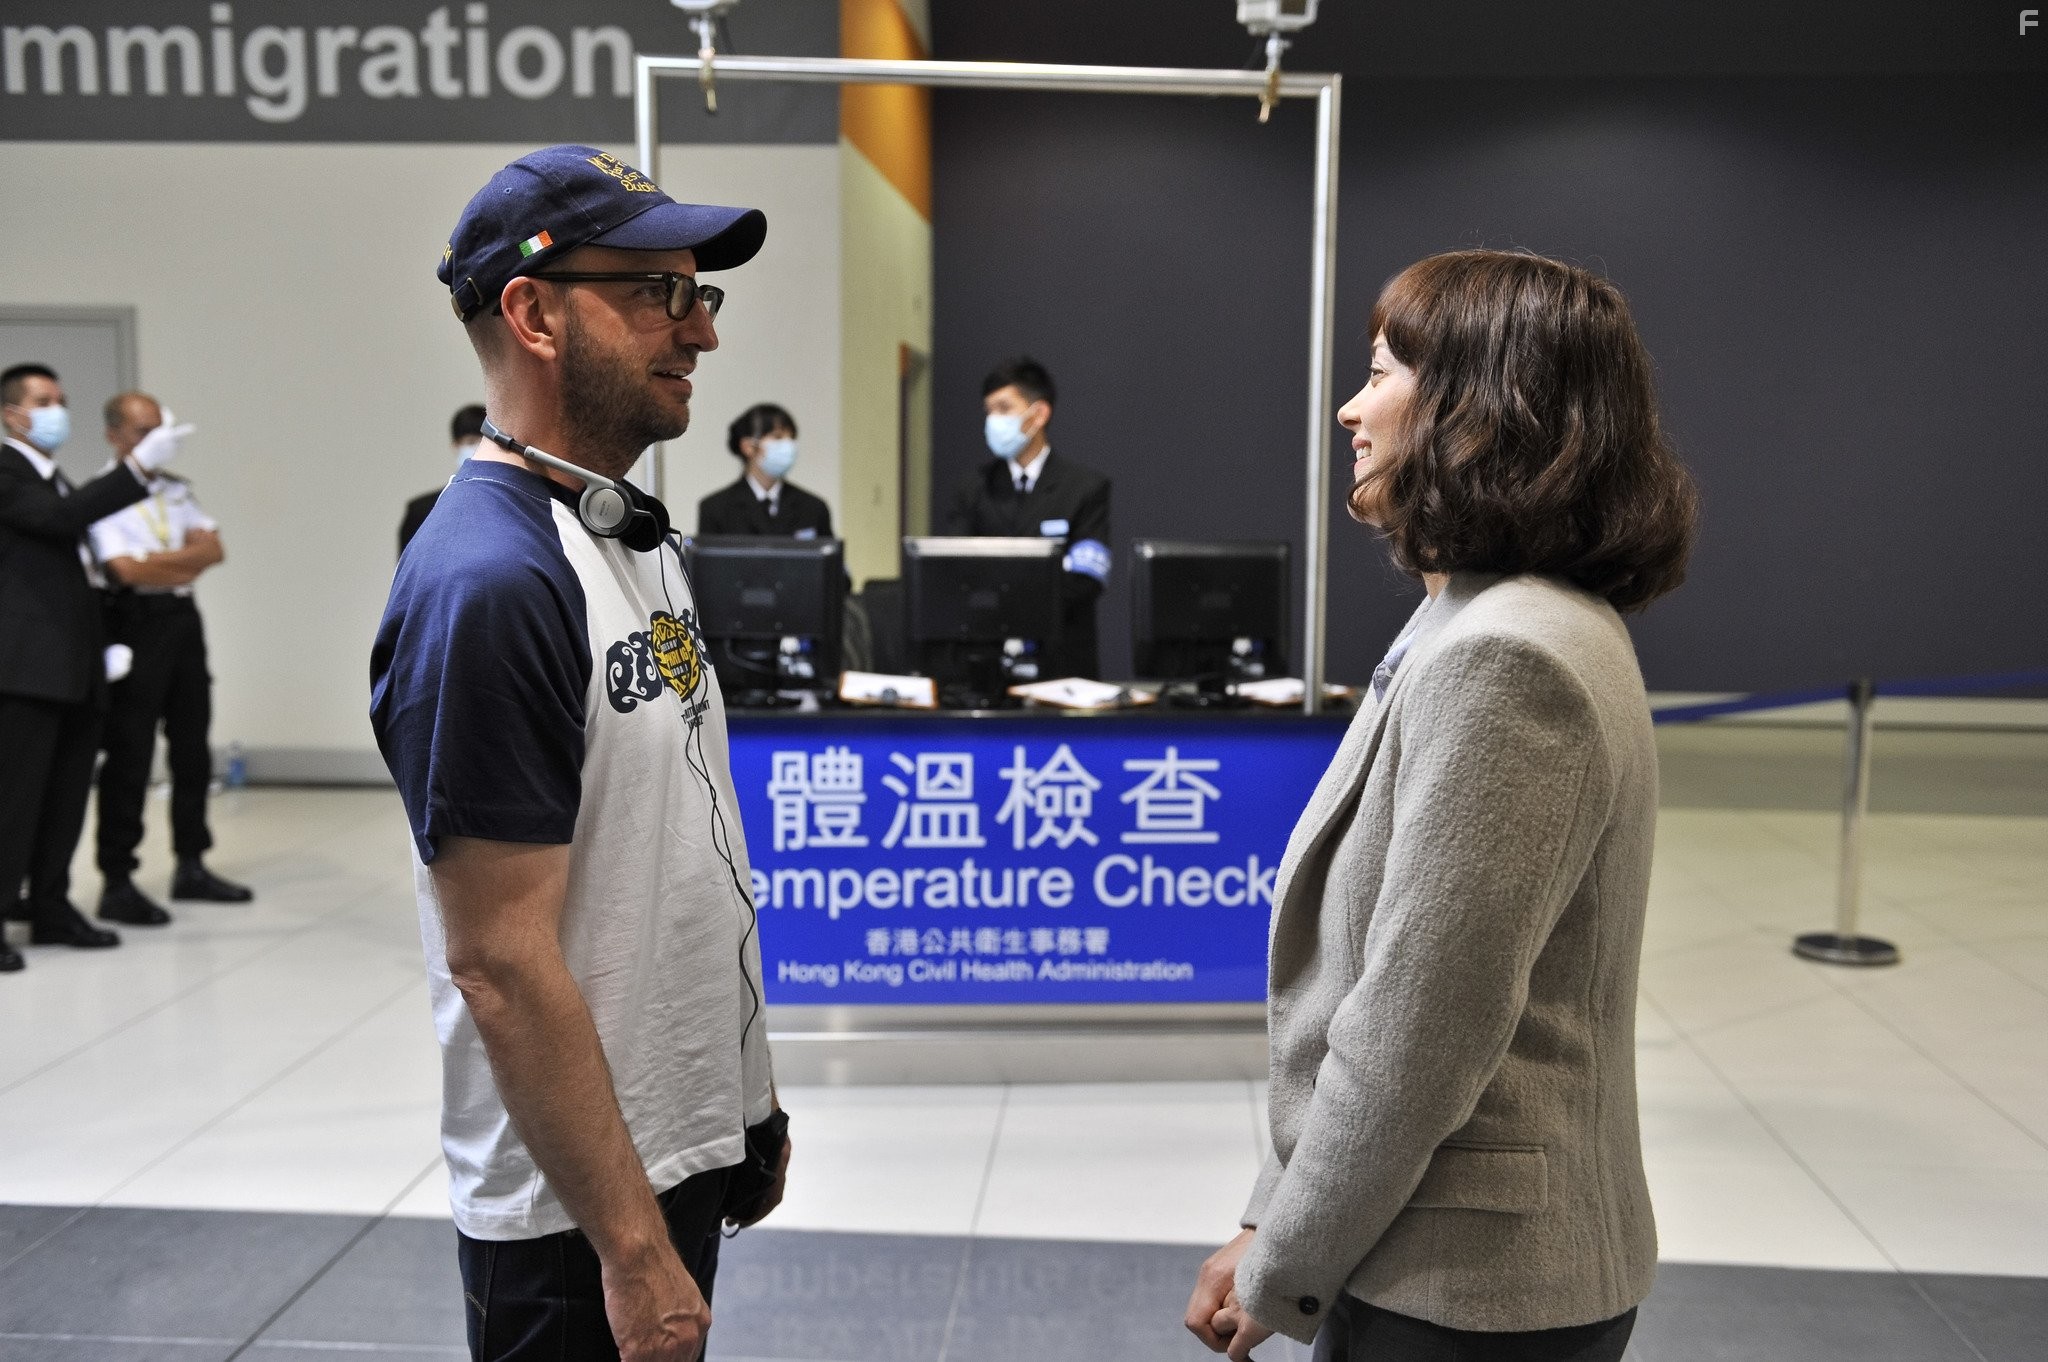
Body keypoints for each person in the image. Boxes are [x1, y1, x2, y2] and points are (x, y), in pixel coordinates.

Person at [1186, 251, 1698, 1362]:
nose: (1350, 409)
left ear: (1478, 407)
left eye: (1379, 374)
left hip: (1466, 1286)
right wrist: (1272, 1213)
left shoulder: (1504, 654)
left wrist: (1285, 1261)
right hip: (1433, 1248)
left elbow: (1415, 1032)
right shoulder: (1489, 616)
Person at [369, 145, 790, 1362]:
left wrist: (743, 1105)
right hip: (576, 1220)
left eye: (699, 293)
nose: (700, 330)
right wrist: (632, 1248)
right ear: (533, 313)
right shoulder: (491, 583)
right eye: (658, 293)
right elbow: (498, 961)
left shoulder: (627, 532)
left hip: (669, 1143)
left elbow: (677, 851)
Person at [0, 363, 188, 971]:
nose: (57, 410)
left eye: (60, 398)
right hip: (26, 672)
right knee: (15, 801)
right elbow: (60, 521)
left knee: (63, 799)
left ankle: (50, 905)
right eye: (42, 401)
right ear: (11, 414)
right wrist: (137, 470)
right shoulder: (7, 472)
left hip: (73, 668)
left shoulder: (54, 480)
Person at [90, 391, 253, 927]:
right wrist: (179, 561)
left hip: (182, 622)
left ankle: (191, 863)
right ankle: (117, 878)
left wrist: (159, 561)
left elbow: (214, 550)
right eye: (143, 432)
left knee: (191, 747)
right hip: (133, 622)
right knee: (130, 753)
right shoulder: (102, 494)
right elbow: (124, 571)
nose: (156, 442)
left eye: (161, 430)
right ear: (114, 435)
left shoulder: (175, 490)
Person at [939, 357, 1111, 679]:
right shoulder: (972, 488)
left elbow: (1085, 580)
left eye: (1004, 409)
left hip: (1061, 665)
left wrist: (1006, 593)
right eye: (989, 411)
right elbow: (958, 572)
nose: (994, 421)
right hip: (988, 665)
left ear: (1039, 414)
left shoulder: (1085, 488)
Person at [697, 403, 834, 538]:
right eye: (777, 437)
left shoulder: (813, 507)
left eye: (791, 438)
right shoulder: (716, 508)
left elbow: (829, 552)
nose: (788, 445)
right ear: (748, 446)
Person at [399, 404, 487, 557]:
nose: (478, 448)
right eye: (471, 441)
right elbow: (407, 567)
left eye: (484, 442)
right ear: (456, 446)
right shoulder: (422, 511)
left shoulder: (508, 504)